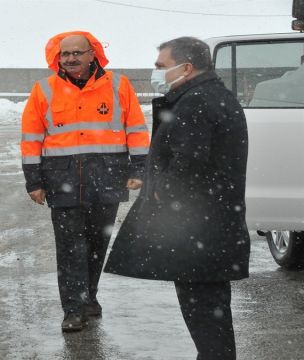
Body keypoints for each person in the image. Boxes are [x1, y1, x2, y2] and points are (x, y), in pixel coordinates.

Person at [104, 37, 250, 360]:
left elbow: (189, 165)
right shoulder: (209, 96)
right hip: (210, 225)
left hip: (199, 229)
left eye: (160, 66)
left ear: (185, 67)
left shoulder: (196, 102)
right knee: (210, 313)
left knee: (206, 316)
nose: (156, 72)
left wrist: (161, 190)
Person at [20, 31, 150, 332]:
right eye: (64, 55)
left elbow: (136, 129)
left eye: (77, 53)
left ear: (93, 55)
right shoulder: (44, 89)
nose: (70, 59)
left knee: (96, 244)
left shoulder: (119, 85)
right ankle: (74, 308)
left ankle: (89, 296)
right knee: (69, 248)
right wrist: (33, 181)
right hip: (61, 178)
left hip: (107, 177)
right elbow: (30, 139)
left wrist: (138, 169)